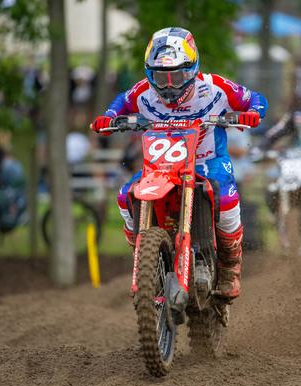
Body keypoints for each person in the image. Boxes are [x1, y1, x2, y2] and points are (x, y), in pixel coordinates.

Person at [90, 27, 267, 301]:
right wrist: (109, 116)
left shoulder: (214, 87)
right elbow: (122, 102)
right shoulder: (144, 92)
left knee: (227, 198)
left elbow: (254, 98)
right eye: (162, 77)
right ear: (151, 74)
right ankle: (143, 254)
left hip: (208, 160)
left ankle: (230, 266)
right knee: (126, 195)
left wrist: (253, 113)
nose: (170, 85)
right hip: (160, 166)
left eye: (177, 76)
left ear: (192, 69)